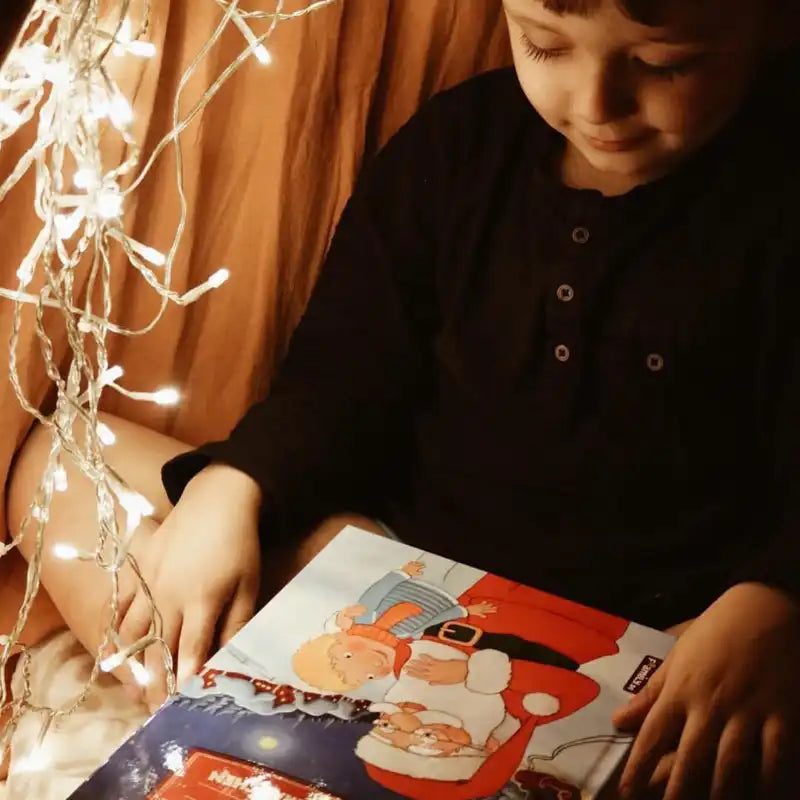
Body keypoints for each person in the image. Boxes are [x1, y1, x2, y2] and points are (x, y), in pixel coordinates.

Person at [7, 0, 800, 797]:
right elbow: (341, 376)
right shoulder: (459, 144)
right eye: (544, 45)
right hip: (398, 579)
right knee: (57, 459)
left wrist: (772, 600)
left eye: (663, 65)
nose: (598, 105)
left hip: (645, 650)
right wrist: (232, 488)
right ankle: (203, 698)